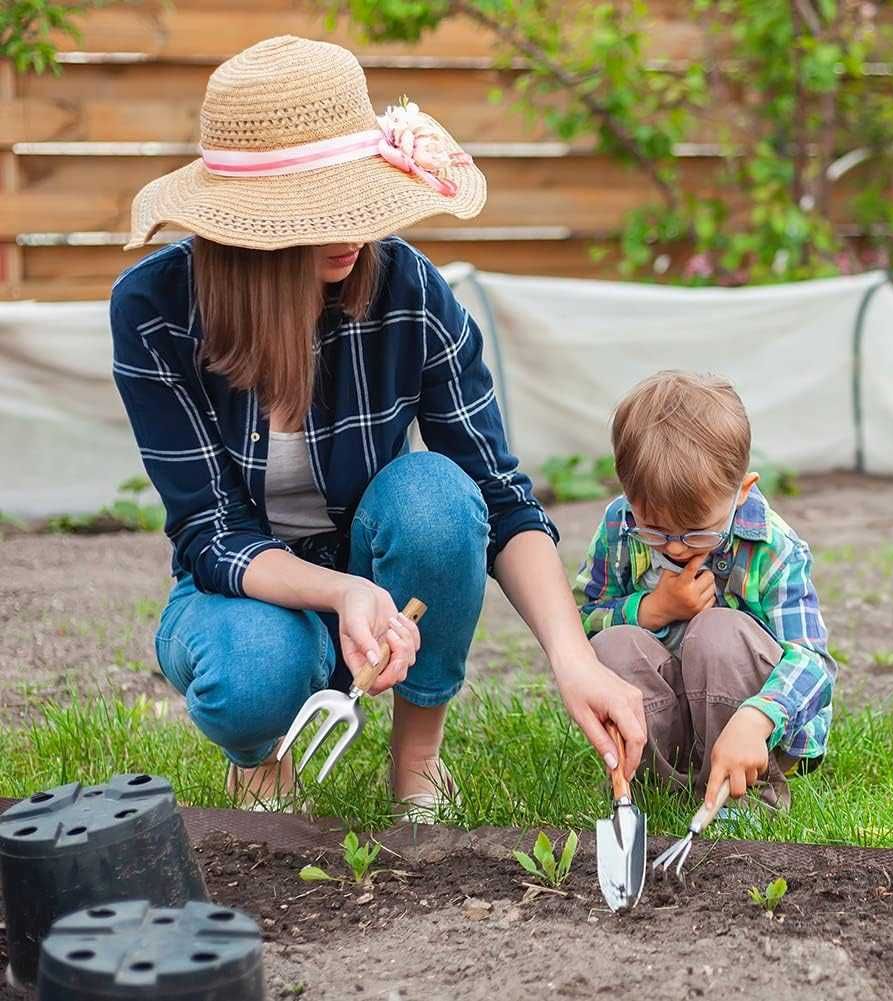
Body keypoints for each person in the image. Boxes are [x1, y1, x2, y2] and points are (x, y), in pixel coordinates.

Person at [111, 35, 645, 815]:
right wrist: (341, 590)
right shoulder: (156, 310)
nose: (352, 229)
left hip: (379, 585)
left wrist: (573, 659)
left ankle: (417, 760)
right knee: (249, 674)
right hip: (245, 593)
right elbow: (209, 533)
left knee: (437, 493)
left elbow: (500, 498)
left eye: (358, 195)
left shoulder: (407, 290)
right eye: (321, 205)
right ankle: (263, 756)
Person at [573, 371, 835, 809]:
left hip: (752, 725)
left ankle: (743, 795)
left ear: (741, 492)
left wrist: (759, 716)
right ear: (627, 493)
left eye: (696, 532)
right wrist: (648, 610)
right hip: (667, 716)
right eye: (655, 530)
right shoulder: (619, 529)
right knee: (613, 646)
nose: (675, 547)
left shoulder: (772, 548)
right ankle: (654, 786)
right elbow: (578, 625)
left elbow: (814, 664)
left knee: (718, 631)